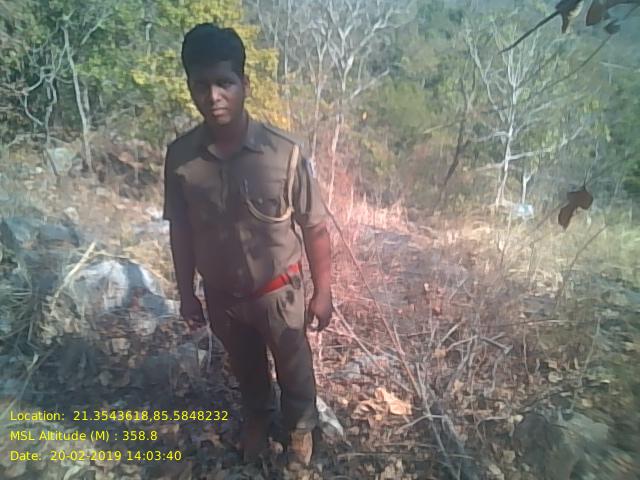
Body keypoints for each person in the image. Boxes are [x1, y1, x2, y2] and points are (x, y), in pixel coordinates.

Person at [162, 23, 333, 467]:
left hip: (279, 293)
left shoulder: (284, 152)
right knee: (245, 366)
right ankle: (258, 415)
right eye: (201, 85)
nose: (213, 96)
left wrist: (323, 292)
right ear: (190, 88)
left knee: (294, 366)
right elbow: (180, 230)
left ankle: (300, 427)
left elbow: (314, 227)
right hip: (223, 297)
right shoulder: (181, 158)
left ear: (245, 84)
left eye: (225, 82)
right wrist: (187, 293)